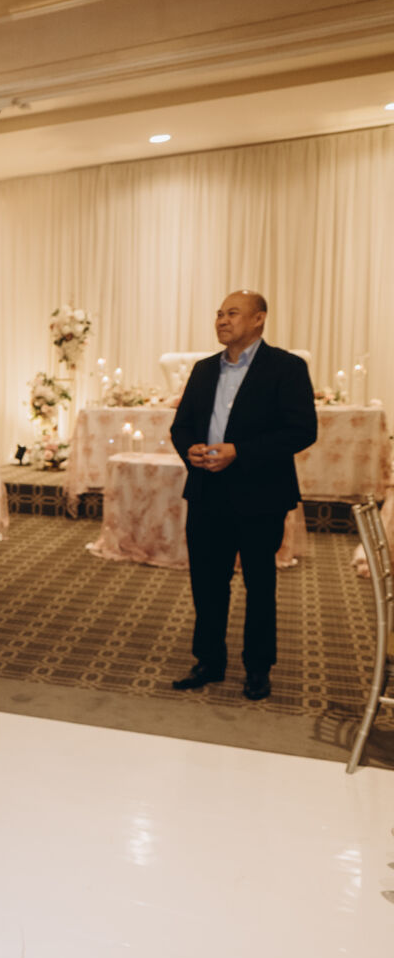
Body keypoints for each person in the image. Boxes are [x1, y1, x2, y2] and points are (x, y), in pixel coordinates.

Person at [170, 291, 317, 700]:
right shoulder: (203, 370)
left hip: (260, 493)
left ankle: (258, 667)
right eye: (219, 313)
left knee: (259, 583)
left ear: (258, 319)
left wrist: (240, 452)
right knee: (207, 582)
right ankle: (209, 660)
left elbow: (302, 430)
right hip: (207, 491)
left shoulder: (286, 368)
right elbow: (181, 426)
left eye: (232, 313)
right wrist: (190, 449)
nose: (222, 320)